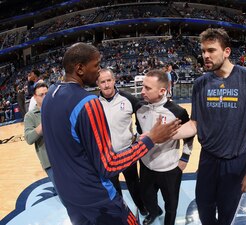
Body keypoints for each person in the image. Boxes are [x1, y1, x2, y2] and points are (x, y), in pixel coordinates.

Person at [41, 43, 181, 225]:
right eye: (96, 65)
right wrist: (151, 139)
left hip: (67, 193)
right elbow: (109, 165)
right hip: (95, 195)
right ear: (80, 69)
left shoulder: (50, 94)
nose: (99, 72)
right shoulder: (89, 103)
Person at [173, 28, 246, 225]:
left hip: (237, 163)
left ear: (227, 51)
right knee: (204, 209)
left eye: (211, 50)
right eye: (203, 51)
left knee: (227, 214)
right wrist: (168, 134)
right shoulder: (200, 84)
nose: (205, 56)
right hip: (207, 160)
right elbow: (195, 124)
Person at [136, 70, 194, 225]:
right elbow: (140, 132)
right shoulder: (139, 108)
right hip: (146, 165)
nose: (142, 91)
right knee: (147, 197)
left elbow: (189, 136)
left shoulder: (177, 112)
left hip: (169, 168)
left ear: (162, 91)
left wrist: (185, 158)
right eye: (143, 87)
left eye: (147, 88)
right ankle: (154, 213)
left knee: (171, 205)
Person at [97, 68, 147, 215]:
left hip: (127, 153)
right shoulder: (94, 103)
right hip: (108, 156)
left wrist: (139, 135)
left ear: (114, 80)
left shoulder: (128, 98)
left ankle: (142, 208)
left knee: (134, 185)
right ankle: (121, 212)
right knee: (113, 188)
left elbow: (143, 115)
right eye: (102, 82)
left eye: (108, 81)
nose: (106, 85)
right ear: (98, 84)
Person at [24, 82, 59, 194]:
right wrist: (42, 125)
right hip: (49, 161)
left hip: (65, 155)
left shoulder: (57, 108)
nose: (45, 97)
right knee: (63, 195)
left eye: (46, 94)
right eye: (41, 95)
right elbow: (29, 138)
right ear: (35, 97)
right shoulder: (30, 116)